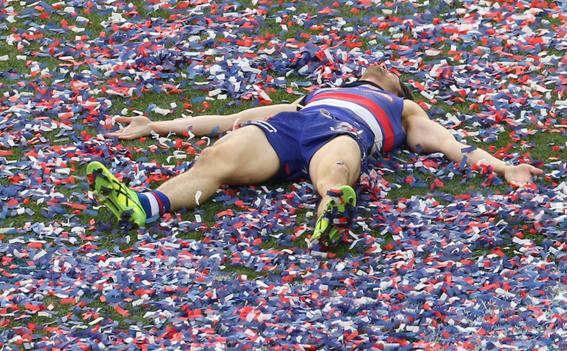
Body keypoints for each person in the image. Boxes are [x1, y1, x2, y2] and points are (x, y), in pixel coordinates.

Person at [87, 64, 543, 244]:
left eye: (391, 71)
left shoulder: (403, 110)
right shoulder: (319, 92)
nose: (378, 65)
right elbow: (234, 118)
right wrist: (156, 126)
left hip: (346, 132)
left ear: (399, 88)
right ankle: (145, 205)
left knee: (338, 170)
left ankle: (330, 220)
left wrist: (503, 167)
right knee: (218, 158)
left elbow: (453, 145)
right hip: (290, 126)